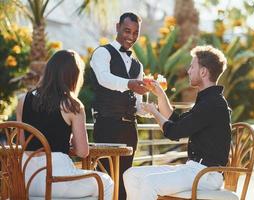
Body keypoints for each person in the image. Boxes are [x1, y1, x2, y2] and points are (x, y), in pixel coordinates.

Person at [123, 45, 232, 200]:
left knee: (148, 183)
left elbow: (173, 132)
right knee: (131, 174)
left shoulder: (213, 104)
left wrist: (154, 112)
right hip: (193, 169)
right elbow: (177, 121)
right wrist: (160, 94)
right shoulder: (207, 101)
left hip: (206, 175)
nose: (188, 71)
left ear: (203, 72)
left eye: (192, 66)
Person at [16, 50, 114, 199]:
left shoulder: (23, 100)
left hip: (27, 181)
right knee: (105, 182)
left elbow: (22, 144)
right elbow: (82, 152)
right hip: (57, 179)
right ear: (73, 76)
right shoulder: (72, 105)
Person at [89, 12, 148, 200]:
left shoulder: (138, 66)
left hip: (130, 129)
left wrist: (151, 109)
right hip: (107, 125)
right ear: (117, 27)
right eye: (127, 30)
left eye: (135, 32)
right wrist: (129, 84)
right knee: (105, 180)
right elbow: (104, 79)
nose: (131, 37)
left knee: (125, 181)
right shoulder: (102, 53)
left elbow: (138, 105)